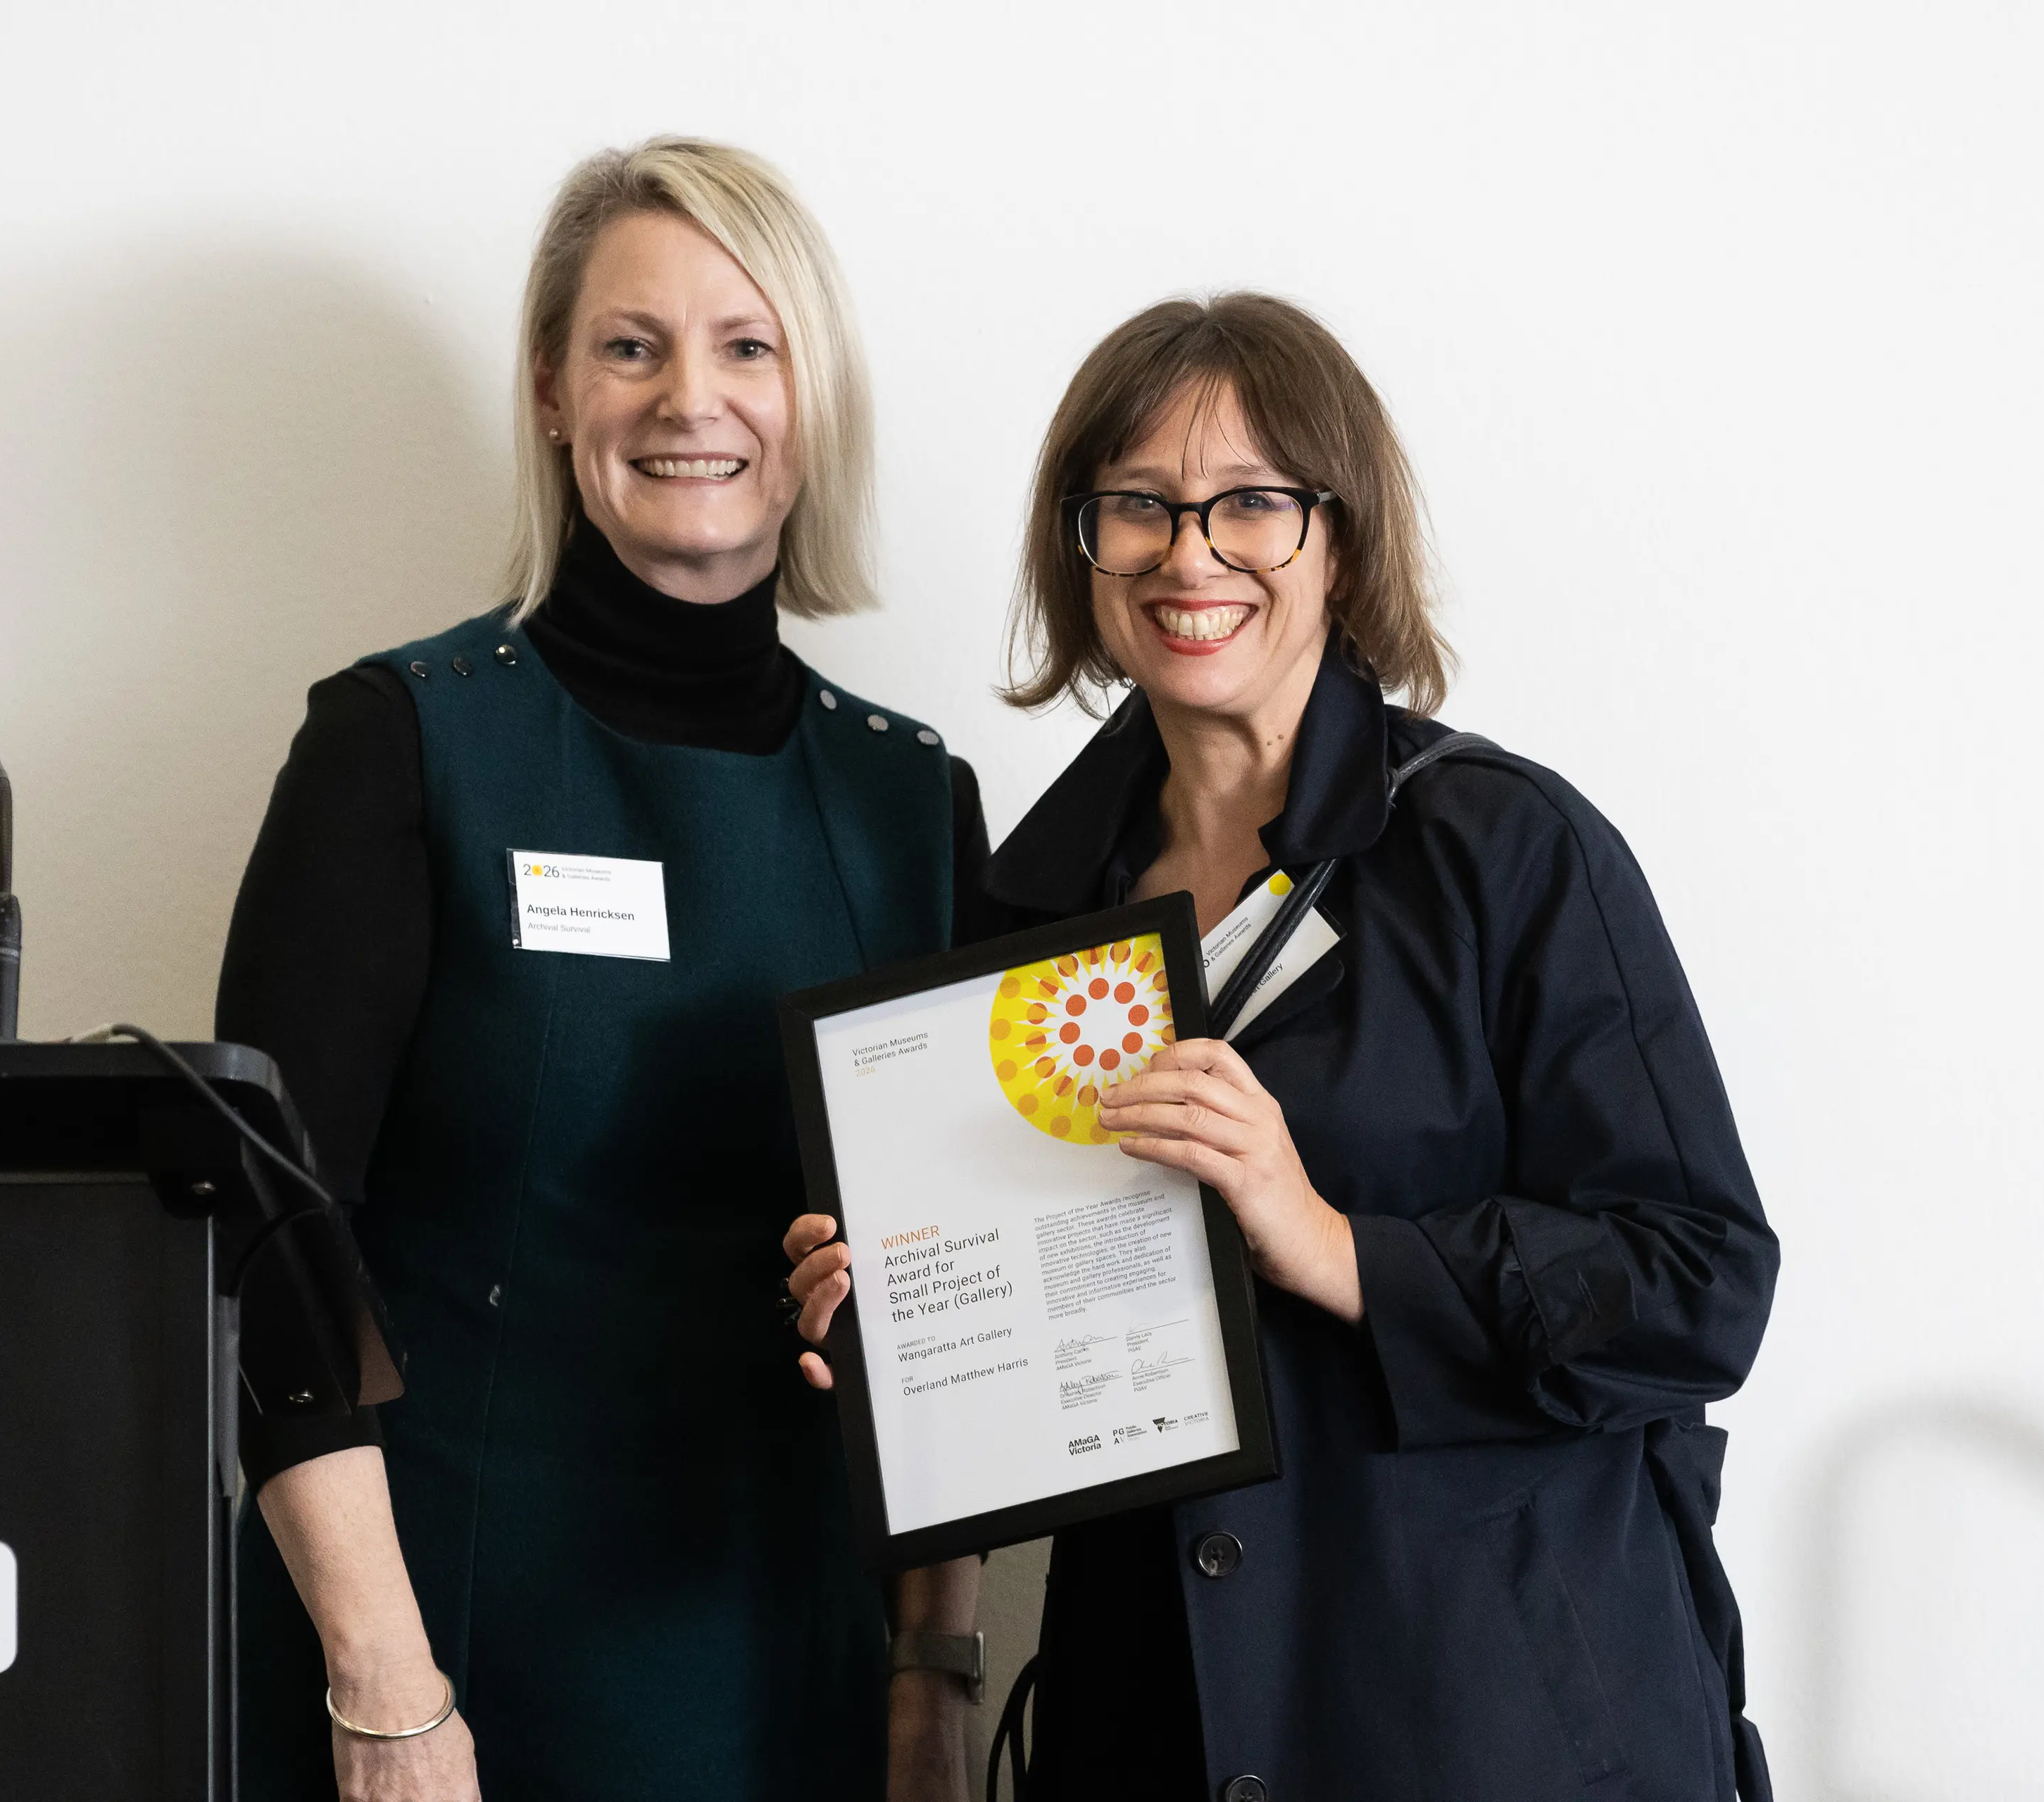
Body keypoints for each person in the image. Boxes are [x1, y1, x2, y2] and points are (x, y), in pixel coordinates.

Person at [786, 293, 1778, 1801]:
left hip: (1481, 1725)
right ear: (1085, 548)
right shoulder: (1023, 908)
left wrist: (1331, 1243)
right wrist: (902, 1322)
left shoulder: (1506, 853)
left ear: (1343, 538)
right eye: (1139, 506)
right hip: (1152, 1721)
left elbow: (1703, 1280)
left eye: (1252, 502)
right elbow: (1020, 1381)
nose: (1192, 553)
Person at [216, 138, 991, 1802]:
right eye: (631, 346)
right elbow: (273, 1254)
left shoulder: (916, 802)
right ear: (555, 393)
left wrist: (933, 1667)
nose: (686, 398)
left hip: (787, 1671)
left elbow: (964, 1297)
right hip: (440, 1670)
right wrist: (384, 1685)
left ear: (815, 398)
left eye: (747, 344)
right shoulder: (401, 742)